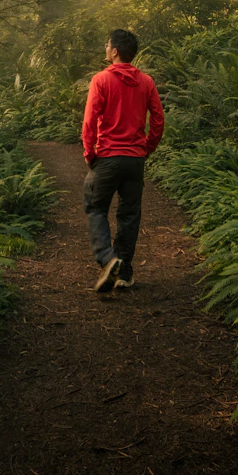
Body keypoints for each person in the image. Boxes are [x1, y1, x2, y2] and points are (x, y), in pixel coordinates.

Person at [81, 28, 164, 293]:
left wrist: (89, 153)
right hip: (135, 160)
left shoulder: (101, 80)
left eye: (107, 45)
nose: (105, 48)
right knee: (129, 215)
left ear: (115, 51)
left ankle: (108, 259)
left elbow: (89, 121)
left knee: (95, 206)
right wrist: (146, 148)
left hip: (108, 157)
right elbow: (158, 121)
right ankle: (124, 273)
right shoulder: (147, 82)